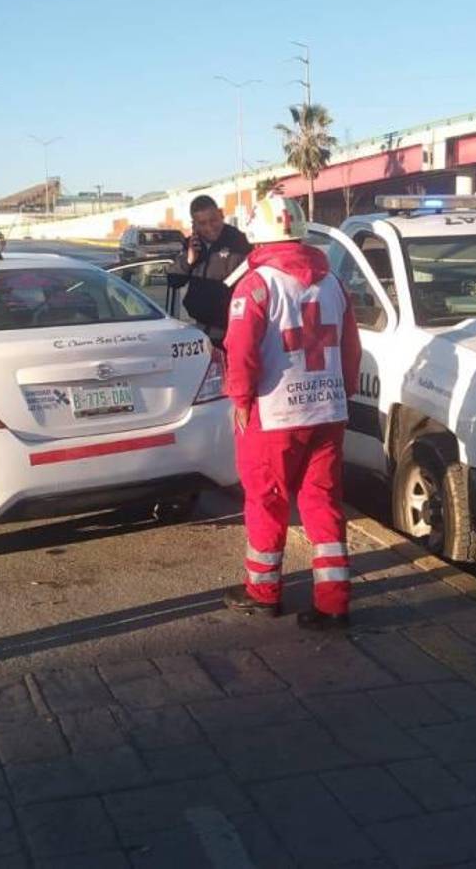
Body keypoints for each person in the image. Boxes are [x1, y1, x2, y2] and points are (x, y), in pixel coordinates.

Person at [222, 195, 362, 630]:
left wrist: (240, 400)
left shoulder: (257, 284)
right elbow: (352, 348)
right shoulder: (333, 282)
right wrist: (343, 393)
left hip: (274, 413)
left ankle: (263, 592)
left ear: (257, 235)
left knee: (267, 500)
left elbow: (240, 351)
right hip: (328, 409)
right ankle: (333, 602)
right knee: (322, 501)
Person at [169, 194, 252, 341]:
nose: (209, 227)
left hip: (234, 326)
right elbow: (174, 281)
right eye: (202, 223)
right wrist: (189, 260)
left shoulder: (239, 241)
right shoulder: (191, 245)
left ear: (221, 215)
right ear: (194, 224)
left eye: (213, 220)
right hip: (202, 329)